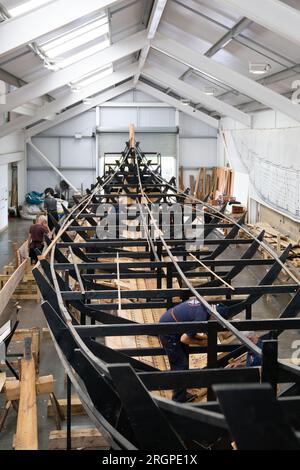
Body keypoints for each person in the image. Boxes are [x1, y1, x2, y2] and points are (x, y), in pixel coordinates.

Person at [159, 298, 210, 403]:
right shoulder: (201, 317)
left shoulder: (204, 306)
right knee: (180, 365)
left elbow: (191, 332)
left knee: (184, 359)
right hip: (168, 332)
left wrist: (204, 338)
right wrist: (201, 343)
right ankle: (178, 401)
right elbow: (185, 339)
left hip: (170, 323)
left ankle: (182, 390)